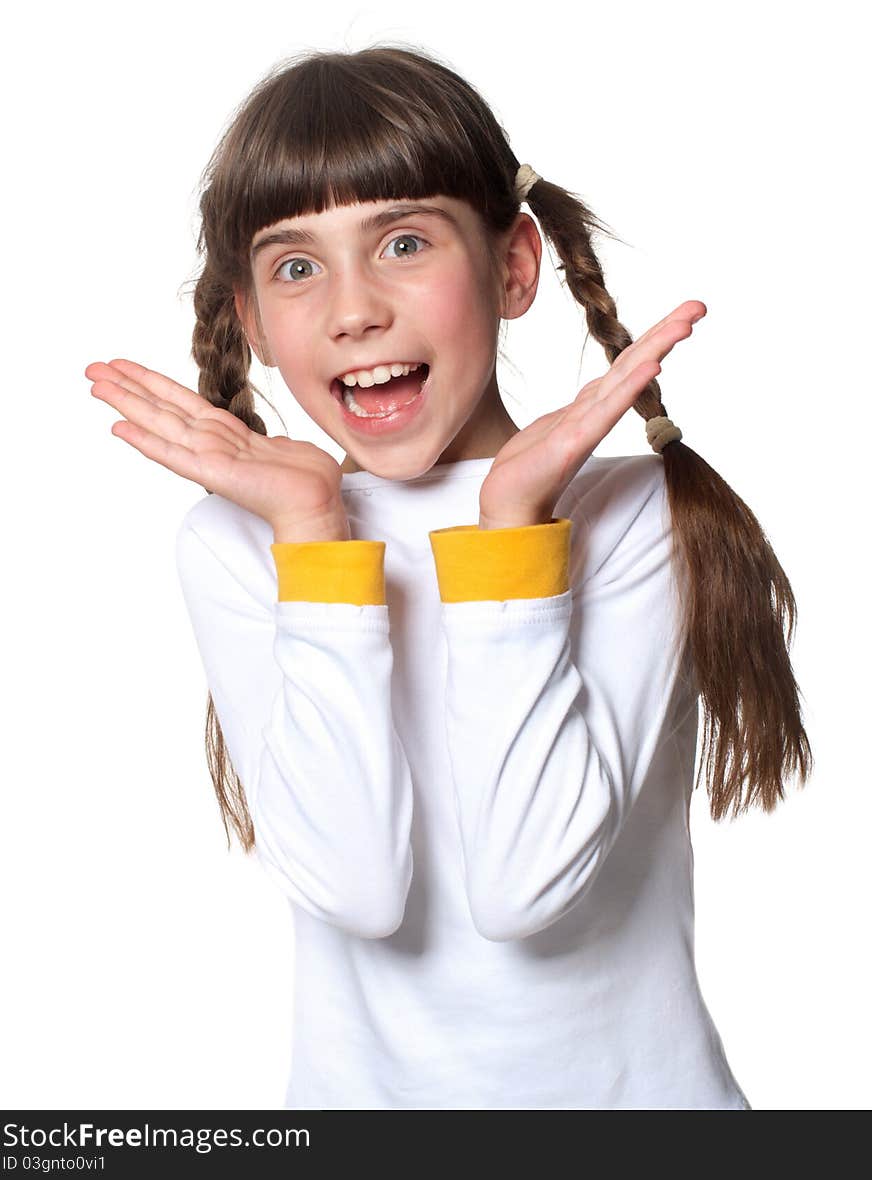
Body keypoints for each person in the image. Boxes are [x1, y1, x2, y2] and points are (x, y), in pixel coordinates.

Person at [84, 43, 812, 1110]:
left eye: (405, 242)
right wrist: (315, 540)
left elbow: (527, 891)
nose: (352, 310)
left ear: (513, 266)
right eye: (296, 265)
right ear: (249, 317)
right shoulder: (245, 542)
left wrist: (510, 525)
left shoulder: (628, 517)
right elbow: (358, 890)